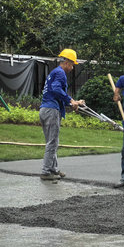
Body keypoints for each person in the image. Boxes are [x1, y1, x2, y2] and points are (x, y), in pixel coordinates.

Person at [39, 49, 84, 180]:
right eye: (72, 64)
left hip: (45, 109)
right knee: (52, 142)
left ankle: (54, 169)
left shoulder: (54, 72)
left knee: (52, 141)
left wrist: (75, 102)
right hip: (51, 110)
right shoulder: (60, 73)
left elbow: (55, 93)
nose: (72, 67)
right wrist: (70, 100)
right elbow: (57, 89)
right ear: (66, 62)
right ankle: (46, 171)